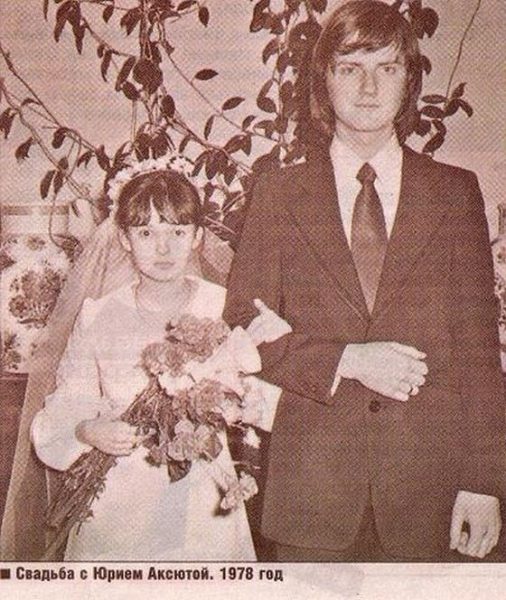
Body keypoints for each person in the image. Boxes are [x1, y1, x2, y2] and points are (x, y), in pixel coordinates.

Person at [224, 0, 506, 561]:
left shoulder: (455, 193)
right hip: (312, 496)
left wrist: (484, 481)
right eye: (350, 68)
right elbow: (241, 329)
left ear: (409, 81)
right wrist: (346, 360)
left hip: (430, 495)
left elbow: (478, 350)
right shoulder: (278, 194)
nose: (369, 87)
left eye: (387, 68)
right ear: (323, 81)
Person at [2, 159, 284, 561]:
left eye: (177, 232)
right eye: (146, 232)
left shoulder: (224, 306)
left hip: (205, 501)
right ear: (124, 238)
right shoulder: (99, 315)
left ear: (198, 237)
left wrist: (243, 404)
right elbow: (68, 401)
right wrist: (86, 430)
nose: (163, 248)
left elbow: (266, 400)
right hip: (119, 505)